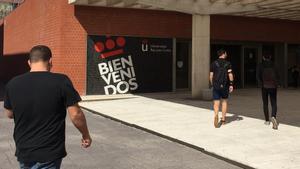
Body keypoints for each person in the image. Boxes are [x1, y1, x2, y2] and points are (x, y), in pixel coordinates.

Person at [3, 45, 92, 169]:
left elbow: (9, 114)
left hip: (24, 150)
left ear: (29, 62)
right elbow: (76, 114)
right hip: (49, 151)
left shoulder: (13, 83)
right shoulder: (61, 81)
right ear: (50, 61)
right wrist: (85, 135)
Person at [210, 49, 234, 128]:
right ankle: (223, 120)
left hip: (216, 85)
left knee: (216, 103)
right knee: (224, 102)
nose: (226, 54)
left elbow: (211, 75)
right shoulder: (228, 63)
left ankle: (216, 115)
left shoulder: (214, 63)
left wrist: (212, 84)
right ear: (223, 54)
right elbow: (230, 75)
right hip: (225, 85)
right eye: (226, 53)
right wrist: (231, 84)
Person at [256, 54, 280, 130]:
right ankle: (273, 116)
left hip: (264, 86)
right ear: (270, 57)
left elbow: (257, 75)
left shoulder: (260, 65)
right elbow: (278, 75)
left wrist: (260, 84)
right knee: (274, 103)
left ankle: (267, 120)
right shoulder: (274, 64)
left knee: (265, 103)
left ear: (263, 57)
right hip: (273, 86)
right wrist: (277, 83)